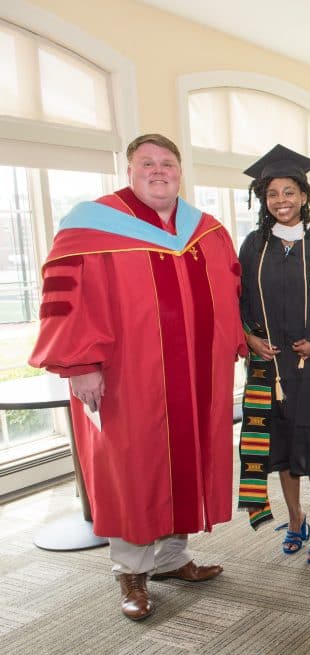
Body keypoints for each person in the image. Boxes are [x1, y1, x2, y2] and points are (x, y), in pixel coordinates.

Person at [29, 133, 245, 620]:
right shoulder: (89, 227)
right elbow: (66, 301)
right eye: (146, 163)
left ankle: (172, 558)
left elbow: (228, 291)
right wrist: (81, 364)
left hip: (193, 377)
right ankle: (130, 570)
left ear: (180, 171)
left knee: (184, 460)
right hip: (126, 377)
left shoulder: (205, 230)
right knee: (134, 467)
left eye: (167, 163)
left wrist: (231, 340)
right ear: (129, 170)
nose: (158, 170)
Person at [238, 144, 310, 565]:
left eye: (289, 192)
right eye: (272, 194)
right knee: (281, 446)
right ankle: (295, 516)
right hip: (269, 365)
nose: (281, 201)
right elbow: (240, 301)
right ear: (264, 201)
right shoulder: (254, 246)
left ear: (304, 195)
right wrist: (250, 339)